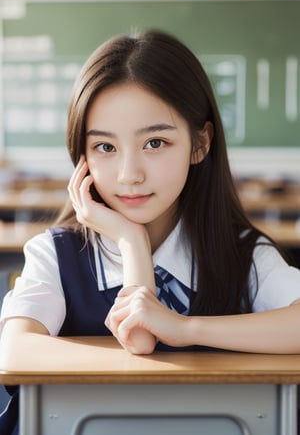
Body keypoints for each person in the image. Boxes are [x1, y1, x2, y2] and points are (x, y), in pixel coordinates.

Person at [0, 30, 300, 434]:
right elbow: (15, 352)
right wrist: (131, 242)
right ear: (82, 157)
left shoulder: (242, 254)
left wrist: (184, 329)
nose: (129, 175)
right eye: (105, 147)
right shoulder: (56, 254)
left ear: (200, 143)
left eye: (155, 142)